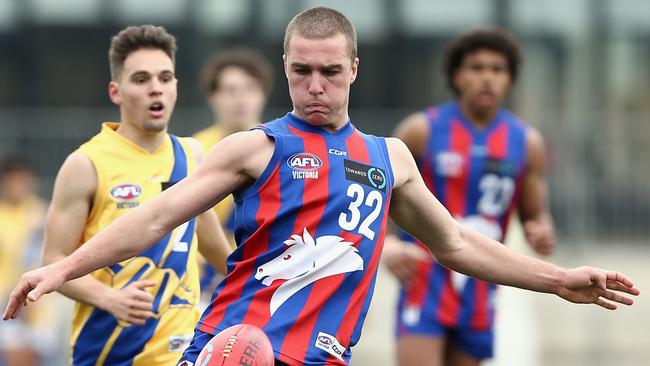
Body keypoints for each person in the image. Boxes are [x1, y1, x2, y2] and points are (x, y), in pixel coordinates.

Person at [2, 8, 639, 366]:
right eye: (302, 71)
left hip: (320, 357)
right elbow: (157, 216)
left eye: (330, 72)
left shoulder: (390, 158)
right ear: (286, 67)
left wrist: (558, 280)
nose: (314, 85)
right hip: (232, 349)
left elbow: (457, 245)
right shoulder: (255, 146)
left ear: (353, 71)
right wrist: (62, 270)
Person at [19, 25, 232, 366]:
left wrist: (254, 287)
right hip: (107, 352)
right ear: (116, 92)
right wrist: (109, 297)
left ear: (176, 86)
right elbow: (52, 261)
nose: (156, 89)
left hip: (182, 350)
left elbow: (208, 236)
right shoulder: (86, 164)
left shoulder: (192, 155)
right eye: (141, 79)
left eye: (165, 78)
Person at [382, 29, 555, 366]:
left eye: (497, 69)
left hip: (481, 284)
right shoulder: (420, 130)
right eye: (477, 68)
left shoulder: (527, 142)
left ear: (510, 79)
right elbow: (381, 198)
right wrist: (388, 245)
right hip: (424, 280)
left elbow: (536, 216)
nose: (487, 78)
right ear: (457, 76)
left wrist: (542, 232)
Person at [193, 48, 273, 299]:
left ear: (262, 95)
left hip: (265, 281)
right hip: (203, 285)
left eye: (250, 89)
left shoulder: (284, 150)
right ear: (213, 97)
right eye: (230, 90)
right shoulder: (195, 150)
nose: (241, 99)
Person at [0, 156, 57, 366]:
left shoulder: (44, 213)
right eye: (12, 180)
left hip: (38, 304)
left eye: (22, 179)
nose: (17, 186)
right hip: (5, 302)